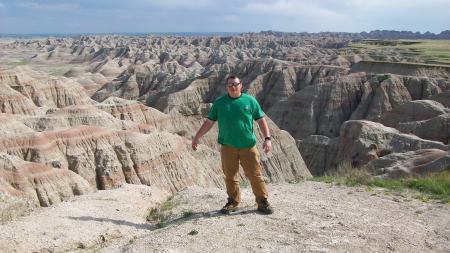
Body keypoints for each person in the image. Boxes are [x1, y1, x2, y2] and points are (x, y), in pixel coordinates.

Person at [191, 75, 274, 215]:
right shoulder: (219, 103)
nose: (233, 87)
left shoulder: (250, 101)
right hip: (228, 147)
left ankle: (262, 201)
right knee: (230, 176)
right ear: (226, 87)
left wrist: (267, 138)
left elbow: (261, 120)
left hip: (248, 146)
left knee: (255, 175)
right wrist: (197, 137)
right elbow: (209, 122)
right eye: (230, 84)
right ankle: (233, 202)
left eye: (235, 84)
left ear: (241, 85)